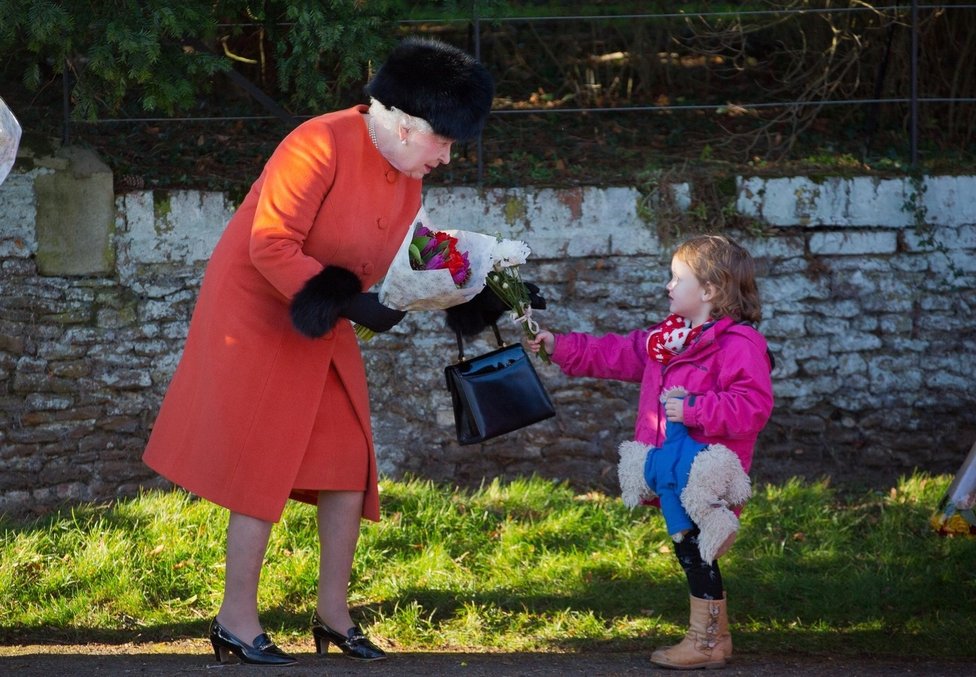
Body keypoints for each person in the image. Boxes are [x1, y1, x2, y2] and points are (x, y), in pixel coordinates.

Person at [142, 38, 493, 666]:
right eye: (443, 139)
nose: (448, 154)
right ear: (406, 124)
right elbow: (271, 244)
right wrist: (355, 305)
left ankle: (333, 616)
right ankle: (235, 621)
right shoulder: (318, 142)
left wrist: (476, 290)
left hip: (321, 312)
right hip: (256, 309)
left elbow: (404, 258)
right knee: (262, 460)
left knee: (346, 460)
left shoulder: (409, 178)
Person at [528, 234, 774, 670]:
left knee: (696, 548)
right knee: (691, 547)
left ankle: (707, 642)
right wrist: (560, 346)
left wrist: (694, 408)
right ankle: (713, 639)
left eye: (677, 278)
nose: (668, 286)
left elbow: (753, 406)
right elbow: (618, 353)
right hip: (672, 468)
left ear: (710, 290)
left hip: (705, 472)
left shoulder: (739, 344)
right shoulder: (670, 340)